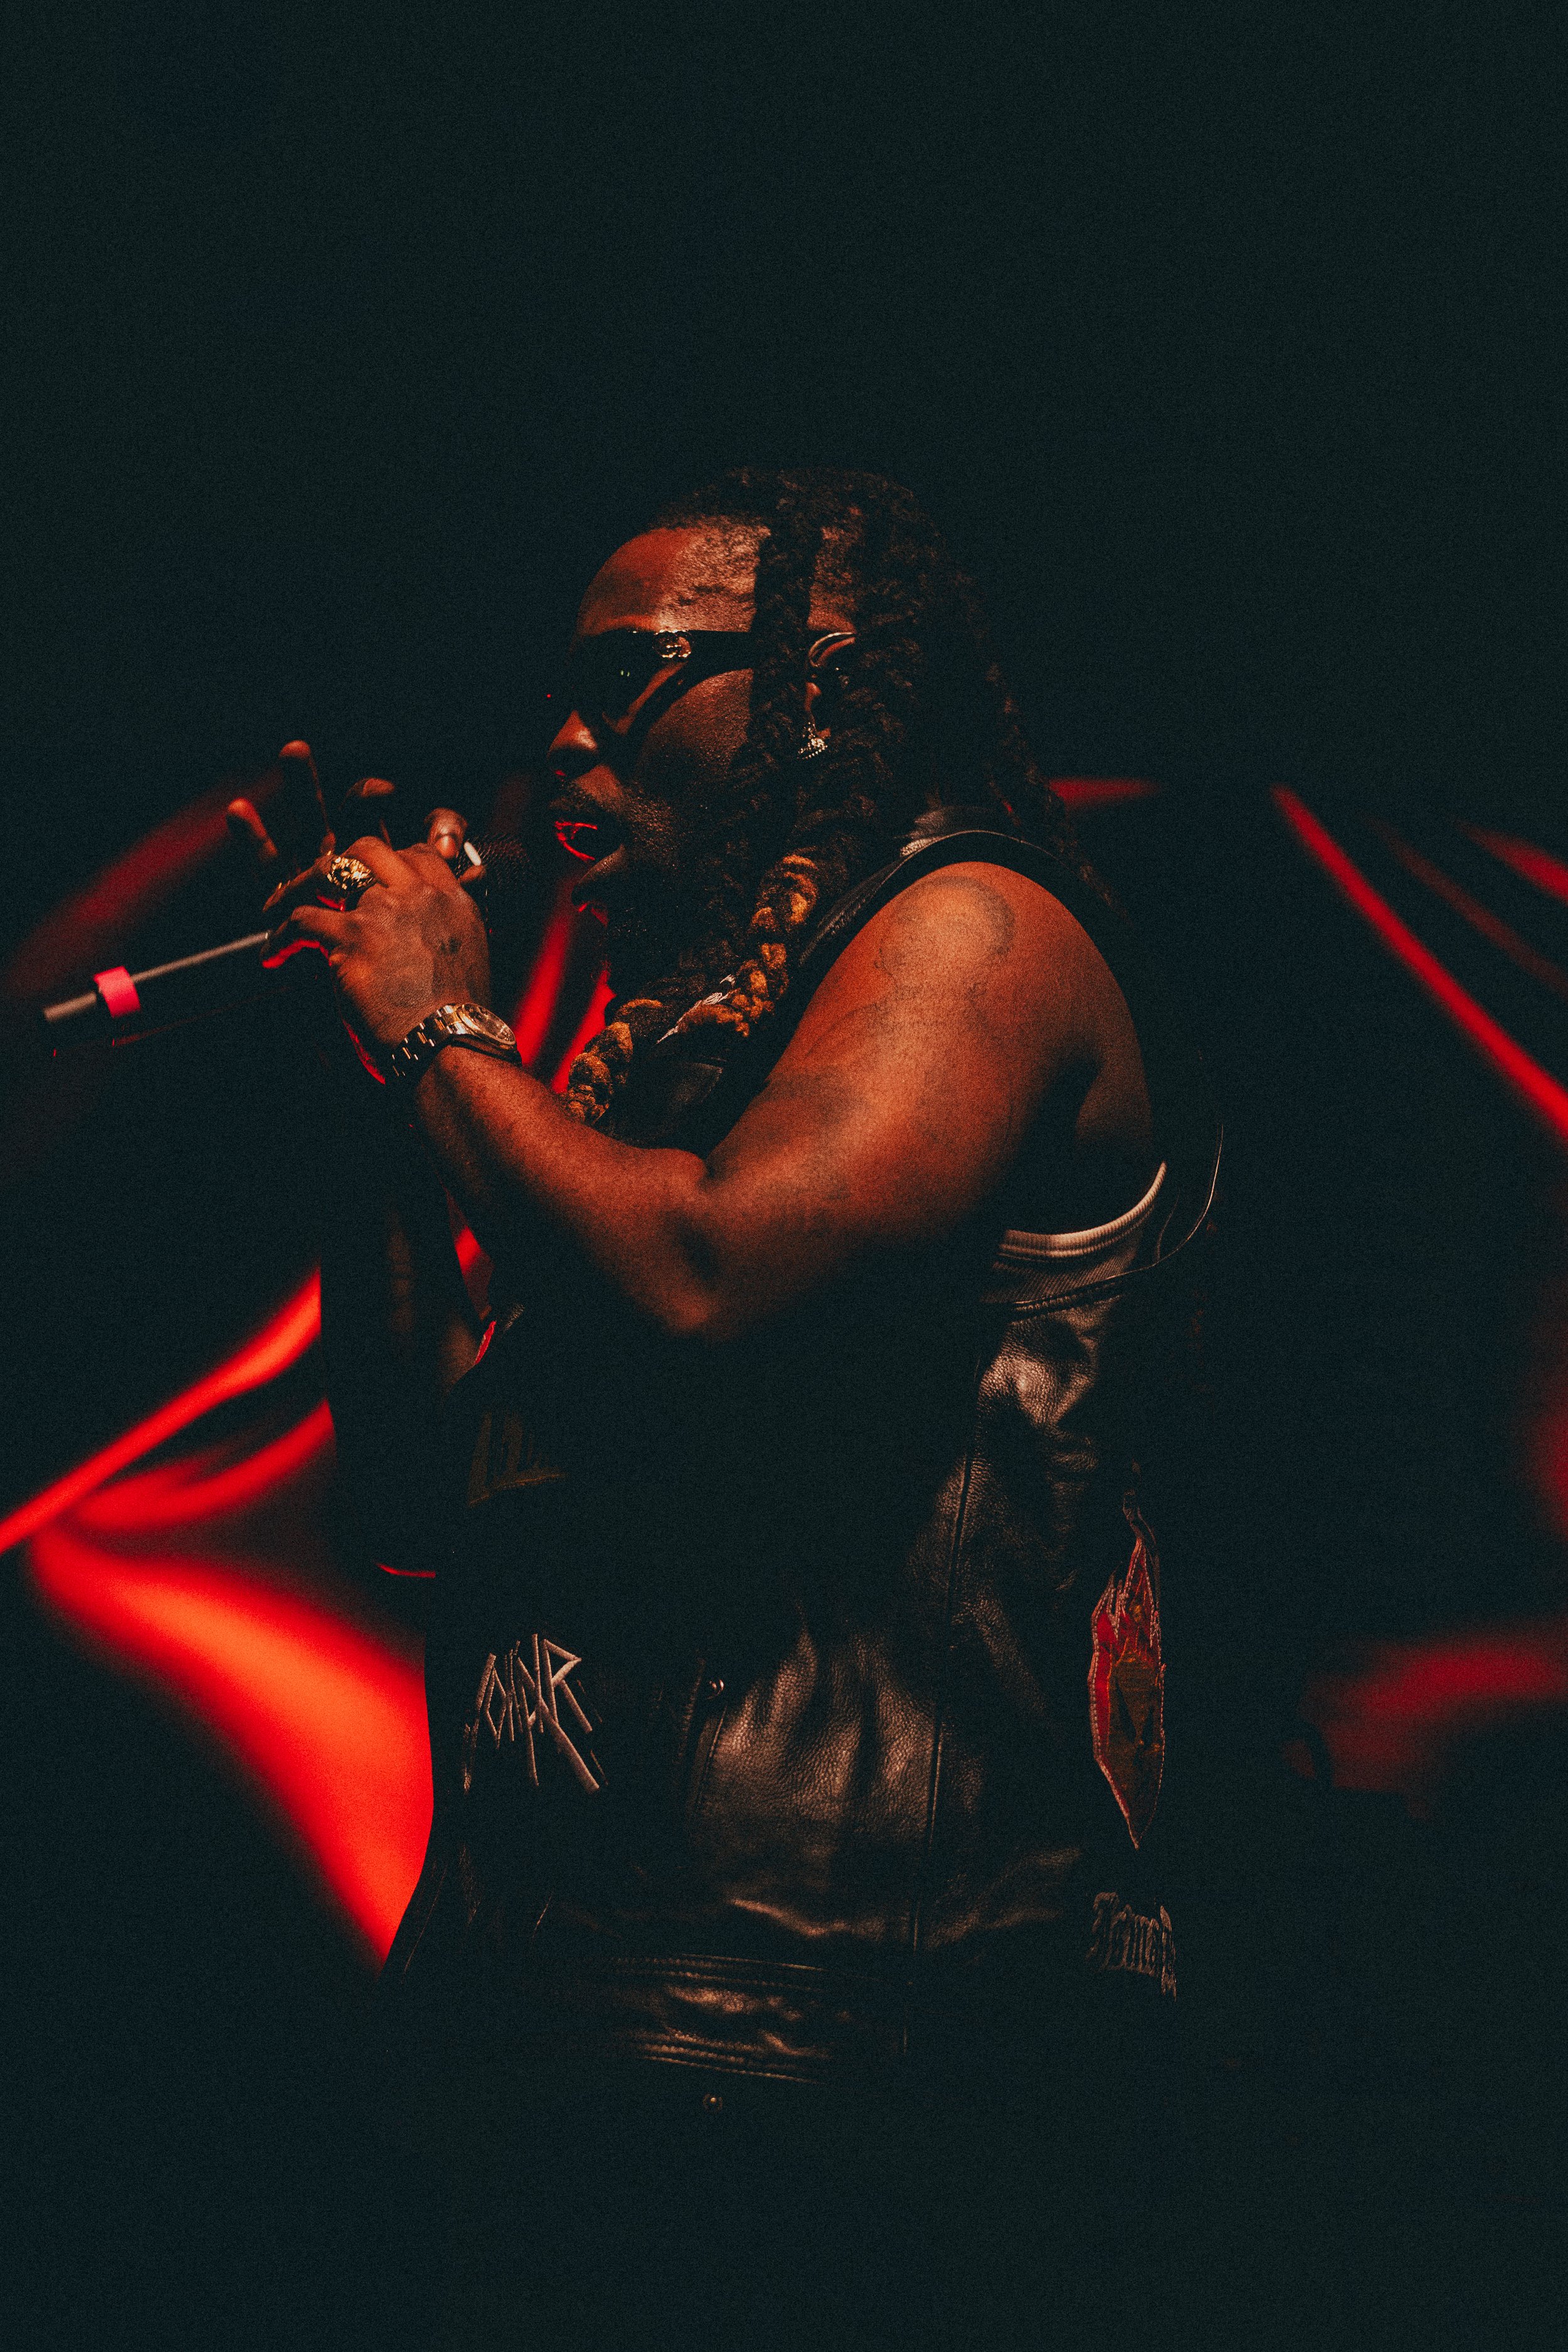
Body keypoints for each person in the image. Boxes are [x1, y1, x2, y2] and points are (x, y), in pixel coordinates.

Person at [245, 469, 1219, 2348]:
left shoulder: (974, 934)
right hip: (601, 2034)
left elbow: (709, 1274)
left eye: (635, 681)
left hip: (864, 2050)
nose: (561, 742)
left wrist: (446, 1031)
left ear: (822, 694)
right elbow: (420, 1487)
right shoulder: (680, 1064)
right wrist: (384, 1095)